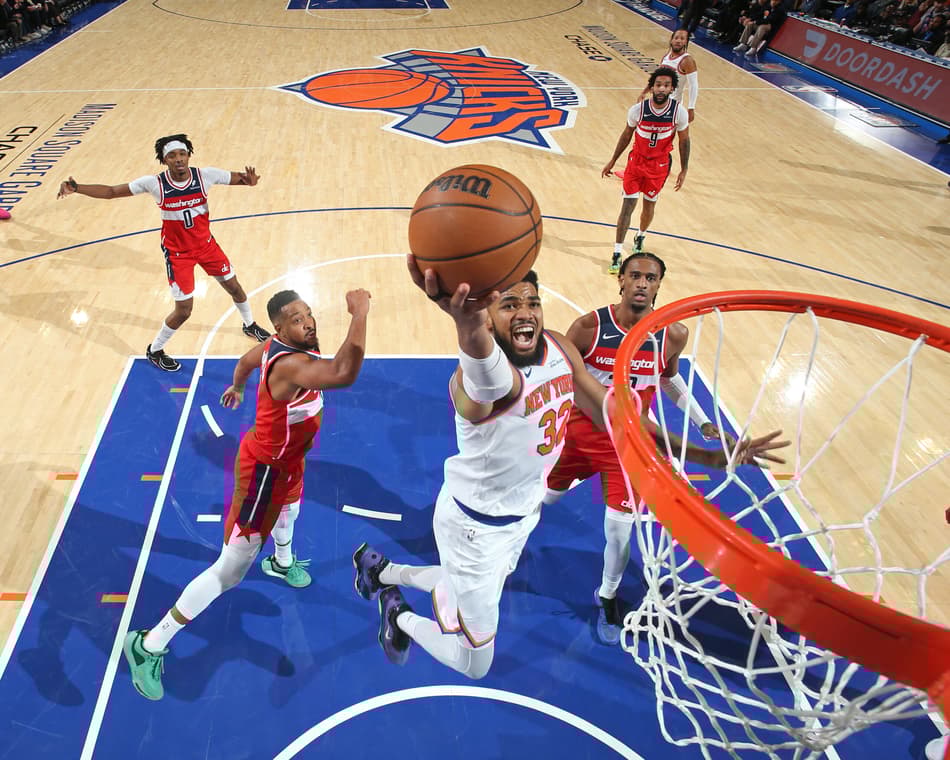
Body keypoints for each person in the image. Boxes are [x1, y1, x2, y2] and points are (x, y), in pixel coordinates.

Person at [351, 255, 787, 679]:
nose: (525, 314)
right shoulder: (483, 381)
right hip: (475, 529)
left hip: (519, 516)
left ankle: (380, 570)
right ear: (487, 319)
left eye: (532, 303)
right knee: (474, 663)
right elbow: (480, 359)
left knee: (466, 584)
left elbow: (618, 420)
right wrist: (464, 323)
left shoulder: (559, 347)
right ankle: (398, 614)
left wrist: (711, 454)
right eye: (509, 305)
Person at [122, 287, 371, 700]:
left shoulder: (273, 346)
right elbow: (345, 372)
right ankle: (148, 644)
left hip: (286, 463)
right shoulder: (292, 364)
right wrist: (360, 312)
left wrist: (238, 387)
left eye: (308, 313)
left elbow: (244, 361)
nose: (307, 322)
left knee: (291, 509)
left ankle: (281, 561)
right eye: (296, 318)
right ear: (280, 328)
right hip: (263, 476)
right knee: (230, 571)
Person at [544, 251, 736, 644]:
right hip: (579, 439)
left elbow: (668, 380)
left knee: (619, 532)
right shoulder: (588, 327)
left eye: (650, 278)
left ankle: (608, 595)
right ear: (622, 281)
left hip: (629, 448)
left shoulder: (672, 335)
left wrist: (702, 421)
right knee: (541, 500)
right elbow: (561, 376)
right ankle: (506, 550)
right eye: (635, 276)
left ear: (659, 286)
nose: (642, 284)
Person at [57, 133, 272, 373]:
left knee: (235, 288)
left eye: (182, 154)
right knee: (184, 311)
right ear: (164, 160)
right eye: (172, 155)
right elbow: (111, 192)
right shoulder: (155, 183)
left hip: (207, 246)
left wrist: (250, 182)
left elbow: (241, 179)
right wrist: (77, 188)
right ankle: (155, 350)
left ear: (189, 155)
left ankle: (249, 325)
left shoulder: (205, 175)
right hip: (178, 254)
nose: (178, 159)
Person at [605, 66, 690, 275]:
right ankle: (617, 252)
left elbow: (684, 140)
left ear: (672, 89)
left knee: (649, 206)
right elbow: (626, 136)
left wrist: (684, 169)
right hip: (636, 163)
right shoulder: (638, 110)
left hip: (659, 166)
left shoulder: (678, 112)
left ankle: (640, 234)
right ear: (652, 87)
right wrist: (613, 160)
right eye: (658, 85)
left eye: (666, 85)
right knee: (627, 205)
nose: (662, 89)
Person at [640, 29, 699, 124]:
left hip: (673, 105)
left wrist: (691, 107)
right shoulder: (666, 57)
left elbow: (694, 85)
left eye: (682, 38)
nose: (678, 41)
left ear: (686, 42)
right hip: (659, 100)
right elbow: (656, 78)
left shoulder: (687, 60)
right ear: (671, 40)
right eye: (676, 38)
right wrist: (644, 92)